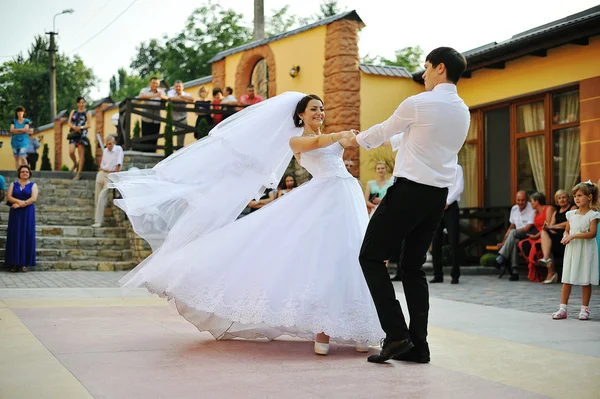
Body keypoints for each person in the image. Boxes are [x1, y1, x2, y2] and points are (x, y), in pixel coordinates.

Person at [109, 93, 382, 356]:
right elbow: (319, 143)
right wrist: (340, 136)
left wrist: (357, 136)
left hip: (347, 195)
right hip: (324, 198)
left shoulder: (330, 137)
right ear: (301, 114)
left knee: (352, 254)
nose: (319, 113)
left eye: (321, 108)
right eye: (313, 109)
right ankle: (323, 327)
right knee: (323, 257)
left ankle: (360, 327)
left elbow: (349, 142)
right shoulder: (296, 141)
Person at [347, 47, 470, 364]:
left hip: (409, 191)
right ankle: (419, 346)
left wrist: (354, 139)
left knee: (371, 256)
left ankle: (397, 335)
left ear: (440, 68)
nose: (424, 73)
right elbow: (410, 140)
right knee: (413, 268)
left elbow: (385, 131)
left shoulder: (419, 103)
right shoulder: (462, 111)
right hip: (436, 198)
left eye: (426, 67)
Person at [551, 181, 599, 321]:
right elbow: (567, 230)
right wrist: (566, 236)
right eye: (575, 196)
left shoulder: (593, 215)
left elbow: (592, 234)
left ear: (589, 197)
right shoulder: (571, 214)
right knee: (567, 279)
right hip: (572, 251)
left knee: (585, 280)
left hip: (585, 251)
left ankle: (584, 309)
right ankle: (562, 308)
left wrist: (574, 235)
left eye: (580, 195)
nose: (576, 198)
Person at [430, 164, 464, 284]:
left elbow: (459, 187)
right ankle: (437, 274)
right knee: (435, 240)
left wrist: (447, 201)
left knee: (454, 240)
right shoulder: (437, 166)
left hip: (451, 206)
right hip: (438, 206)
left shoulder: (457, 168)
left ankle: (455, 275)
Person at [494, 190, 535, 281]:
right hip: (515, 236)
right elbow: (511, 226)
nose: (520, 202)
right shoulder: (514, 209)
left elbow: (527, 227)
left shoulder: (531, 209)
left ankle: (502, 257)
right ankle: (515, 272)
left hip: (527, 234)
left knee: (513, 232)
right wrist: (504, 242)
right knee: (515, 241)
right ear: (515, 200)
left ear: (527, 200)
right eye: (518, 200)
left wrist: (513, 231)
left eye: (523, 200)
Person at [5, 165, 38, 273]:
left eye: (27, 172)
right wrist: (18, 203)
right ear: (19, 173)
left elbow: (33, 198)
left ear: (29, 174)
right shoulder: (13, 184)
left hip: (27, 213)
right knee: (15, 235)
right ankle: (14, 263)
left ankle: (24, 263)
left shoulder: (33, 185)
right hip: (15, 213)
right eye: (23, 171)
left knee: (26, 235)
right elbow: (9, 197)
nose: (25, 173)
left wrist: (20, 204)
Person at [538, 190, 575, 283]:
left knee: (548, 244)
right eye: (559, 198)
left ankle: (551, 272)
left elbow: (569, 222)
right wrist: (547, 227)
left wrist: (551, 227)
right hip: (557, 237)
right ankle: (546, 259)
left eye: (564, 197)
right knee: (544, 233)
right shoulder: (556, 212)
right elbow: (550, 226)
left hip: (567, 236)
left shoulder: (572, 208)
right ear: (556, 201)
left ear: (568, 199)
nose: (561, 200)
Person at [517, 192, 552, 282]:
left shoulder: (548, 209)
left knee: (535, 246)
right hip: (538, 234)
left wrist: (536, 235)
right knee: (522, 244)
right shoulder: (535, 213)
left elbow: (547, 226)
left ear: (537, 201)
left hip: (546, 234)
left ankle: (546, 271)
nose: (531, 203)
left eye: (532, 201)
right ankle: (537, 270)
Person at [92, 135, 124, 228]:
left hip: (111, 174)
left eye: (110, 144)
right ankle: (96, 219)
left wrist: (116, 178)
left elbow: (118, 164)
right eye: (107, 144)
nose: (108, 146)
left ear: (114, 143)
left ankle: (98, 222)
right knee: (97, 196)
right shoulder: (105, 151)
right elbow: (103, 164)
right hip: (102, 173)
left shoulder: (118, 150)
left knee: (102, 195)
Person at [138, 77, 168, 152]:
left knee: (155, 137)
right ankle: (144, 153)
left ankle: (153, 152)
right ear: (150, 83)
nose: (155, 85)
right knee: (145, 137)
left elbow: (167, 98)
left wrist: (161, 96)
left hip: (157, 118)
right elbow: (140, 97)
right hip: (146, 118)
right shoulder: (144, 90)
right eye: (153, 83)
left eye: (157, 83)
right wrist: (154, 96)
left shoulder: (161, 92)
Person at [67, 97, 92, 181]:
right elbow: (69, 122)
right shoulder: (73, 112)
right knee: (71, 152)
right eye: (80, 103)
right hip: (73, 133)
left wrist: (80, 127)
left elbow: (89, 124)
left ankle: (79, 173)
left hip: (82, 134)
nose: (82, 104)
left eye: (83, 102)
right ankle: (75, 163)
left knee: (81, 154)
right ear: (77, 103)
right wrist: (74, 127)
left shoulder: (87, 112)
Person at [167, 80, 194, 149]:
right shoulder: (170, 92)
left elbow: (191, 99)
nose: (178, 88)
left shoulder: (186, 94)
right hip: (171, 120)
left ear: (183, 87)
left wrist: (181, 97)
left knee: (180, 141)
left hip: (182, 119)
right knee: (168, 138)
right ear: (174, 87)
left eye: (179, 86)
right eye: (176, 86)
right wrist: (183, 99)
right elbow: (171, 98)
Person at [10, 106, 30, 170]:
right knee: (16, 158)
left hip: (23, 141)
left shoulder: (26, 121)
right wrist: (22, 130)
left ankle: (26, 170)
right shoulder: (14, 121)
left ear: (23, 113)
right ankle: (18, 172)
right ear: (16, 113)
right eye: (18, 112)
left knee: (22, 156)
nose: (20, 113)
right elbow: (11, 130)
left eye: (21, 112)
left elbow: (26, 129)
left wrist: (16, 130)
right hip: (15, 141)